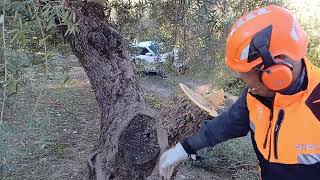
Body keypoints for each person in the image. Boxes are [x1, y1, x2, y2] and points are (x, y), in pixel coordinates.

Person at [159, 5, 320, 180]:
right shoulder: (255, 96)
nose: (245, 83)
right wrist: (184, 148)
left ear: (274, 71)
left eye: (246, 75)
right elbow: (227, 124)